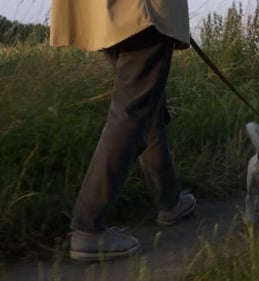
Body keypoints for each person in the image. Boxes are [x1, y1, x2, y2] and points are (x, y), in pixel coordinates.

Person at [50, 0, 196, 261]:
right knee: (131, 112)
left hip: (105, 11)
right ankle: (88, 227)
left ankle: (170, 200)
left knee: (143, 104)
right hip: (143, 12)